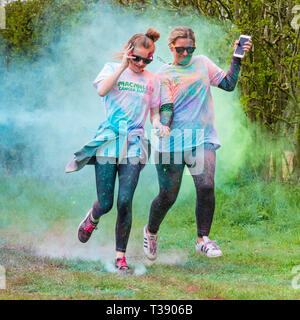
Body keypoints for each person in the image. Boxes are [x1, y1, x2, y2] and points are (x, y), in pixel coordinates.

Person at [143, 26, 252, 260]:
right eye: (180, 49)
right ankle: (151, 231)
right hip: (171, 144)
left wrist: (237, 57)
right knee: (167, 196)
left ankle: (203, 239)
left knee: (205, 185)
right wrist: (163, 125)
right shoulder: (163, 74)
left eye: (190, 49)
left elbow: (228, 83)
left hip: (202, 138)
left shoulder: (202, 63)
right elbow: (166, 108)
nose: (185, 54)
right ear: (171, 47)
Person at [65, 28, 170, 271]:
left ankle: (120, 257)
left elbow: (154, 112)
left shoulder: (152, 80)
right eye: (138, 58)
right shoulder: (112, 69)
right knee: (106, 202)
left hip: (134, 143)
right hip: (108, 141)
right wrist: (123, 66)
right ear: (129, 53)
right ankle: (93, 217)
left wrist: (158, 124)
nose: (142, 63)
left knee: (125, 201)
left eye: (148, 59)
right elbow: (102, 90)